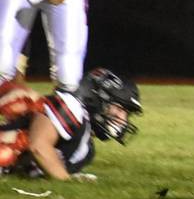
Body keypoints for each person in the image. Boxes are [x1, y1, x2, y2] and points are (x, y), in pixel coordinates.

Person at [0, 67, 141, 181]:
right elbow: (38, 145)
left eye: (126, 114)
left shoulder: (87, 150)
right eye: (120, 109)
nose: (123, 120)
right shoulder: (72, 107)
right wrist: (65, 179)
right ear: (99, 99)